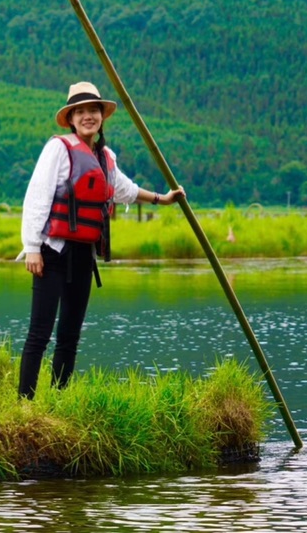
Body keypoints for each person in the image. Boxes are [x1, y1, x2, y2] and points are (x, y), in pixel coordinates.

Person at [18, 82, 184, 399]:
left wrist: (163, 199)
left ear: (101, 116)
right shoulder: (58, 148)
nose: (87, 116)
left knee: (69, 334)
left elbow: (124, 190)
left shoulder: (105, 156)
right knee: (40, 333)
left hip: (84, 255)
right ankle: (24, 404)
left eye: (92, 110)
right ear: (70, 118)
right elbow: (36, 197)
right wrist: (32, 248)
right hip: (51, 253)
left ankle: (58, 399)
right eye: (80, 111)